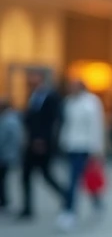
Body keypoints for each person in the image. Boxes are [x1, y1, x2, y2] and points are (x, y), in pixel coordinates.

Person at [58, 78, 107, 230]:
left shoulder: (91, 102)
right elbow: (67, 124)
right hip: (72, 145)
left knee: (75, 179)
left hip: (85, 146)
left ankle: (70, 211)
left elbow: (96, 125)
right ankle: (96, 202)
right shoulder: (68, 102)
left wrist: (97, 148)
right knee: (81, 178)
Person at [19, 68, 67, 221]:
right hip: (30, 142)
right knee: (26, 175)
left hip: (43, 143)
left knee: (46, 174)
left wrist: (43, 139)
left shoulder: (51, 97)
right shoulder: (32, 96)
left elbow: (53, 120)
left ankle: (66, 196)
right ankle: (27, 208)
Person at [0, 98, 23, 213]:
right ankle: (4, 202)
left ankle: (4, 202)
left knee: (3, 179)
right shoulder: (7, 118)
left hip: (6, 154)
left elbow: (8, 139)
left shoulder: (9, 120)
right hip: (5, 154)